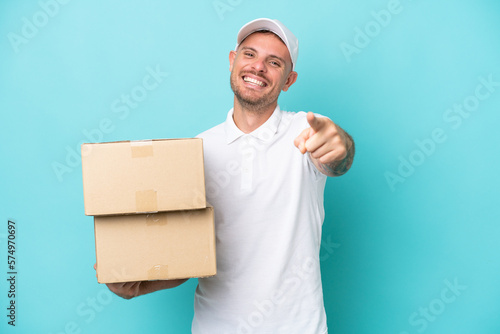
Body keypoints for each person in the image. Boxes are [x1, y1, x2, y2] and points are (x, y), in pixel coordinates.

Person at [101, 18, 355, 333]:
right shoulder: (198, 149)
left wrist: (339, 146)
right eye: (249, 55)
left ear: (289, 79)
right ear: (233, 62)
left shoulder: (307, 130)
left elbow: (337, 158)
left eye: (274, 62)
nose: (259, 66)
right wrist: (139, 284)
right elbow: (190, 255)